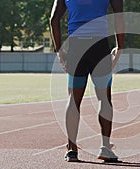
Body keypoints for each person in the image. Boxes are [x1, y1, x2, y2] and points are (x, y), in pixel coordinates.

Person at [50, 0, 124, 162]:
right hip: (100, 46)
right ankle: (105, 146)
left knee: (73, 99)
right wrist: (120, 46)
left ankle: (72, 149)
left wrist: (59, 50)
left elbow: (54, 19)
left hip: (76, 46)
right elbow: (119, 16)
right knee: (104, 98)